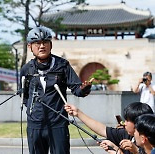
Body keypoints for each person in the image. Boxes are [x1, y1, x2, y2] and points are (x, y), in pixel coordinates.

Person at [20, 26, 92, 154]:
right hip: (35, 125)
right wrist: (34, 111)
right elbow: (24, 96)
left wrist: (84, 89)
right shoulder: (26, 69)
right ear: (30, 46)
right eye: (37, 43)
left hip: (58, 123)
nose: (42, 46)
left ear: (51, 45)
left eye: (45, 42)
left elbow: (77, 89)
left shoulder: (62, 65)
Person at [64, 102, 154, 154]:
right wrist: (78, 113)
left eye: (127, 120)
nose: (124, 123)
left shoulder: (151, 142)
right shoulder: (125, 134)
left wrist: (136, 151)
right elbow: (102, 129)